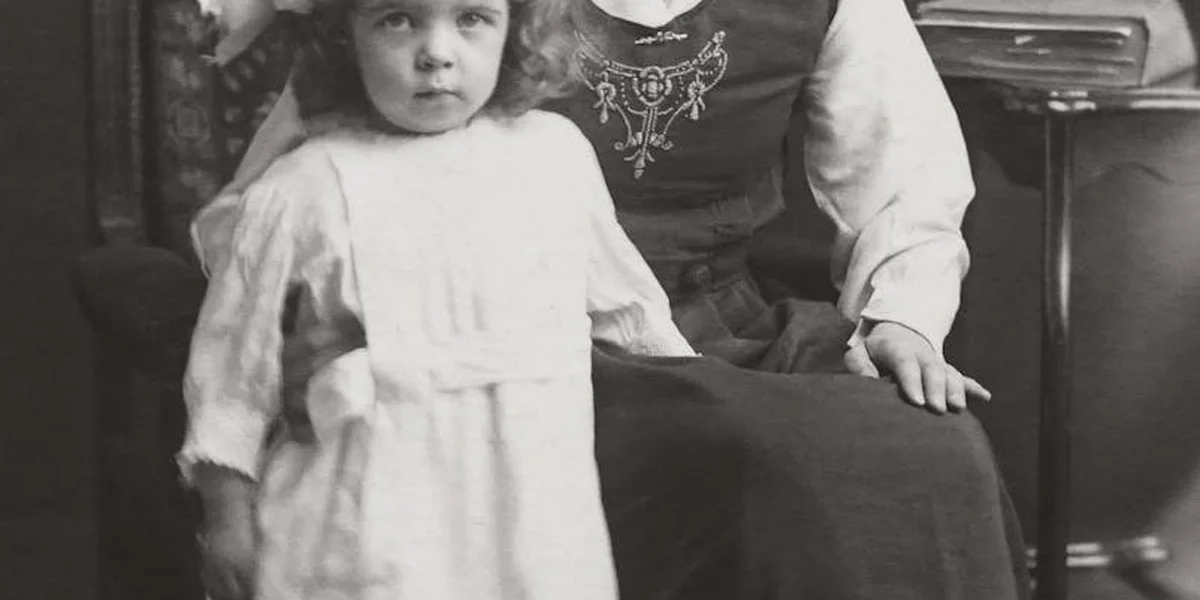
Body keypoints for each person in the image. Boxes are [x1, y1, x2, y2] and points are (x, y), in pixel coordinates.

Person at [193, 0, 1033, 598]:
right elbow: (258, 217)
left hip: (714, 321)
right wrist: (336, 314)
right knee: (751, 447)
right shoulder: (447, 20)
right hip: (527, 344)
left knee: (934, 446)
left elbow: (907, 181)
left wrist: (901, 317)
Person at [177, 0, 700, 599]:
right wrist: (225, 519)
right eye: (397, 20)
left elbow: (631, 314)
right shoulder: (302, 188)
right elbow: (231, 379)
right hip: (369, 511)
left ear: (516, 30)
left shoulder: (555, 157)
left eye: (473, 18)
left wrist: (709, 408)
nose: (437, 53)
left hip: (534, 510)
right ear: (344, 39)